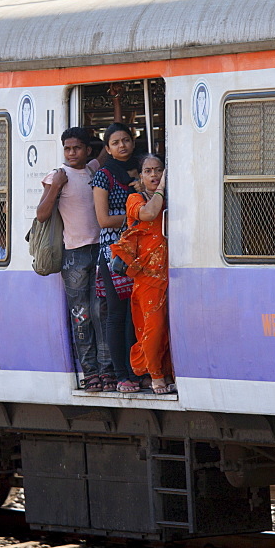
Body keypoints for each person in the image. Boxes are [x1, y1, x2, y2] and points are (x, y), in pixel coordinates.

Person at [36, 127, 113, 392]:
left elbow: (107, 149)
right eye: (67, 148)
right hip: (75, 256)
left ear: (87, 150)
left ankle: (107, 370)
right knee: (82, 315)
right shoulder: (58, 176)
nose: (71, 153)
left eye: (77, 148)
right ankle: (90, 372)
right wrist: (56, 186)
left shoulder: (92, 170)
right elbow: (42, 214)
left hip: (100, 250)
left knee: (100, 312)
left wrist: (118, 108)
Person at [112, 155, 175, 394]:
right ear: (141, 176)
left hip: (170, 272)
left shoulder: (169, 199)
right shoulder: (135, 199)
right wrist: (161, 188)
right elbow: (149, 214)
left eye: (158, 170)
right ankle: (155, 374)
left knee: (168, 328)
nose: (154, 175)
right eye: (148, 171)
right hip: (147, 275)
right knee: (153, 327)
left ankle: (163, 371)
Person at [92, 123, 142, 393]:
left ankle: (137, 370)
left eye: (126, 140)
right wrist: (137, 215)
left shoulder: (142, 169)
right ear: (108, 148)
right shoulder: (104, 175)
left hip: (140, 252)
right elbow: (103, 220)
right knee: (116, 314)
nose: (122, 146)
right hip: (114, 253)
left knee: (136, 314)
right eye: (115, 142)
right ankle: (121, 374)